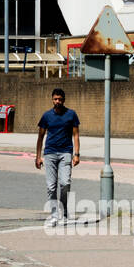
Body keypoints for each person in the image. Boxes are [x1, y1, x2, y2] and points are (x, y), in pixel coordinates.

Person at [35, 87, 80, 225]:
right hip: (49, 154)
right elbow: (40, 136)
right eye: (55, 99)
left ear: (64, 100)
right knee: (51, 186)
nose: (57, 101)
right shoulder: (46, 116)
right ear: (52, 100)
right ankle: (54, 215)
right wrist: (38, 156)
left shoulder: (71, 114)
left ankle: (65, 210)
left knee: (65, 183)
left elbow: (76, 135)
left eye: (60, 99)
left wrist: (77, 154)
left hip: (66, 153)